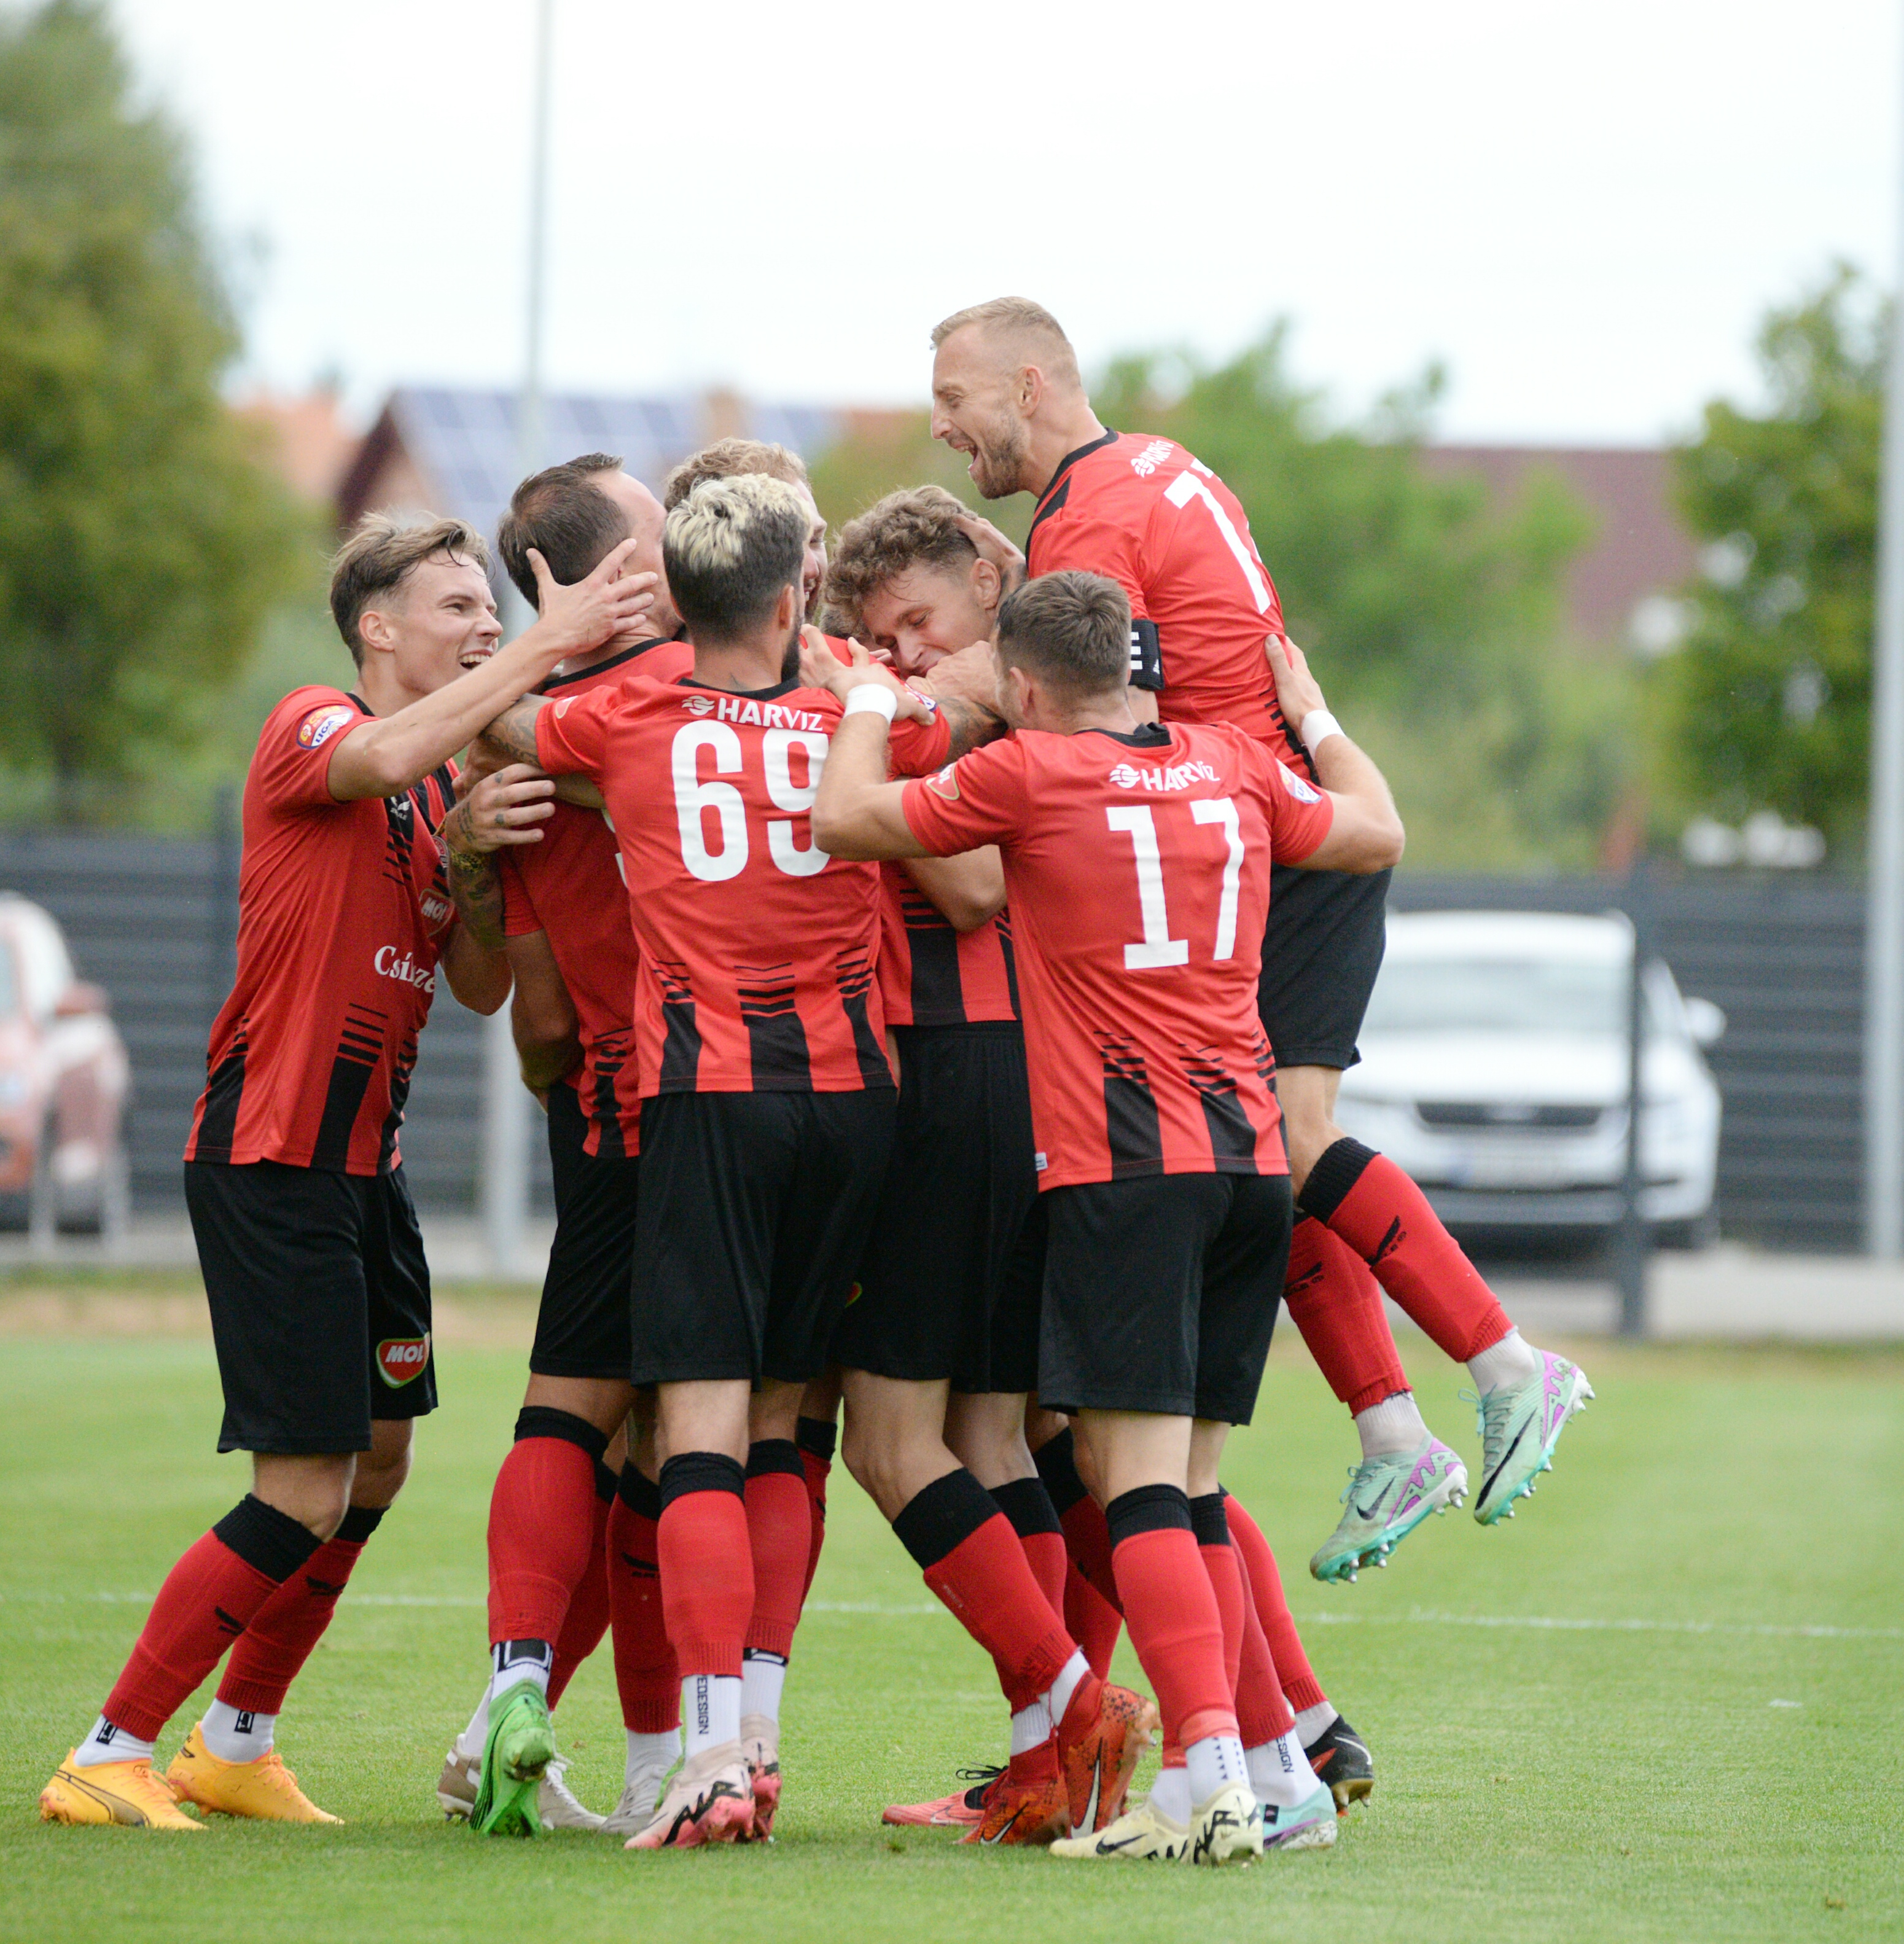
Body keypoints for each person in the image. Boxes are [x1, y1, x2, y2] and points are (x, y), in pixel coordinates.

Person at [926, 297, 1593, 1585]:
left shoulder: (1090, 517)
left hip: (1266, 844)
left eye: (954, 396)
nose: (944, 425)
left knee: (1286, 1138)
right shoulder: (1153, 465)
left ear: (1029, 384)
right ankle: (1393, 1429)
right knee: (1247, 1150)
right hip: (1265, 826)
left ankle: (1506, 1363)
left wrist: (897, 696)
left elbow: (1095, 713)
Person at [37, 513, 655, 1831]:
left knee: (375, 1465)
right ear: (377, 626)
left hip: (367, 1170)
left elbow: (478, 983)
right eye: (456, 606)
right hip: (275, 1156)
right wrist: (546, 644)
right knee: (304, 1483)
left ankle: (235, 1741)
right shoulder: (316, 722)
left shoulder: (438, 792)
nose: (484, 625)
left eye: (490, 609)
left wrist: (475, 858)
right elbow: (377, 752)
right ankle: (107, 1748)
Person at [806, 569, 1401, 1863]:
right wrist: (1314, 714)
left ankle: (1204, 1778)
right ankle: (1272, 1772)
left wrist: (862, 695)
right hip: (1249, 1164)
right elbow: (1374, 829)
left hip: (1127, 1170)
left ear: (1021, 684)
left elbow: (843, 816)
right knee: (1191, 1486)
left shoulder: (1027, 771)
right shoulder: (1233, 760)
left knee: (1131, 1488)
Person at [494, 473, 985, 1849]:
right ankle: (750, 1739)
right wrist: (866, 674)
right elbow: (976, 711)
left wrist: (543, 643)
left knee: (696, 1427)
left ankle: (712, 1753)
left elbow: (507, 725)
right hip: (856, 1102)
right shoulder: (852, 717)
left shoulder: (626, 720)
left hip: (707, 1098)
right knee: (782, 1422)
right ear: (790, 600)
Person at [429, 453, 696, 1840]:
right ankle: (659, 1758)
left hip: (598, 1108)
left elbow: (526, 1010)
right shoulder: (685, 691)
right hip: (722, 1103)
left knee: (574, 1410)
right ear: (608, 570)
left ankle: (511, 1699)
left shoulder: (515, 742)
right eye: (657, 521)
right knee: (680, 1439)